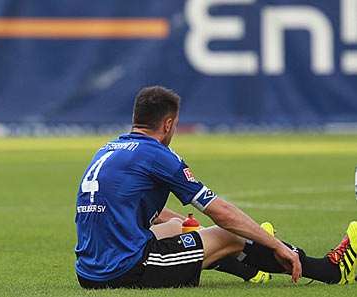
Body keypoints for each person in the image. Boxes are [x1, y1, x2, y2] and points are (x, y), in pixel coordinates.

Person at [74, 86, 356, 288]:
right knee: (227, 235)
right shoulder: (157, 154)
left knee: (180, 228)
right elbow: (220, 212)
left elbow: (135, 208)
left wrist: (195, 231)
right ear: (169, 124)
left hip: (88, 272)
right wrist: (273, 244)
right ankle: (330, 270)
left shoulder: (109, 149)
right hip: (126, 271)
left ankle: (248, 265)